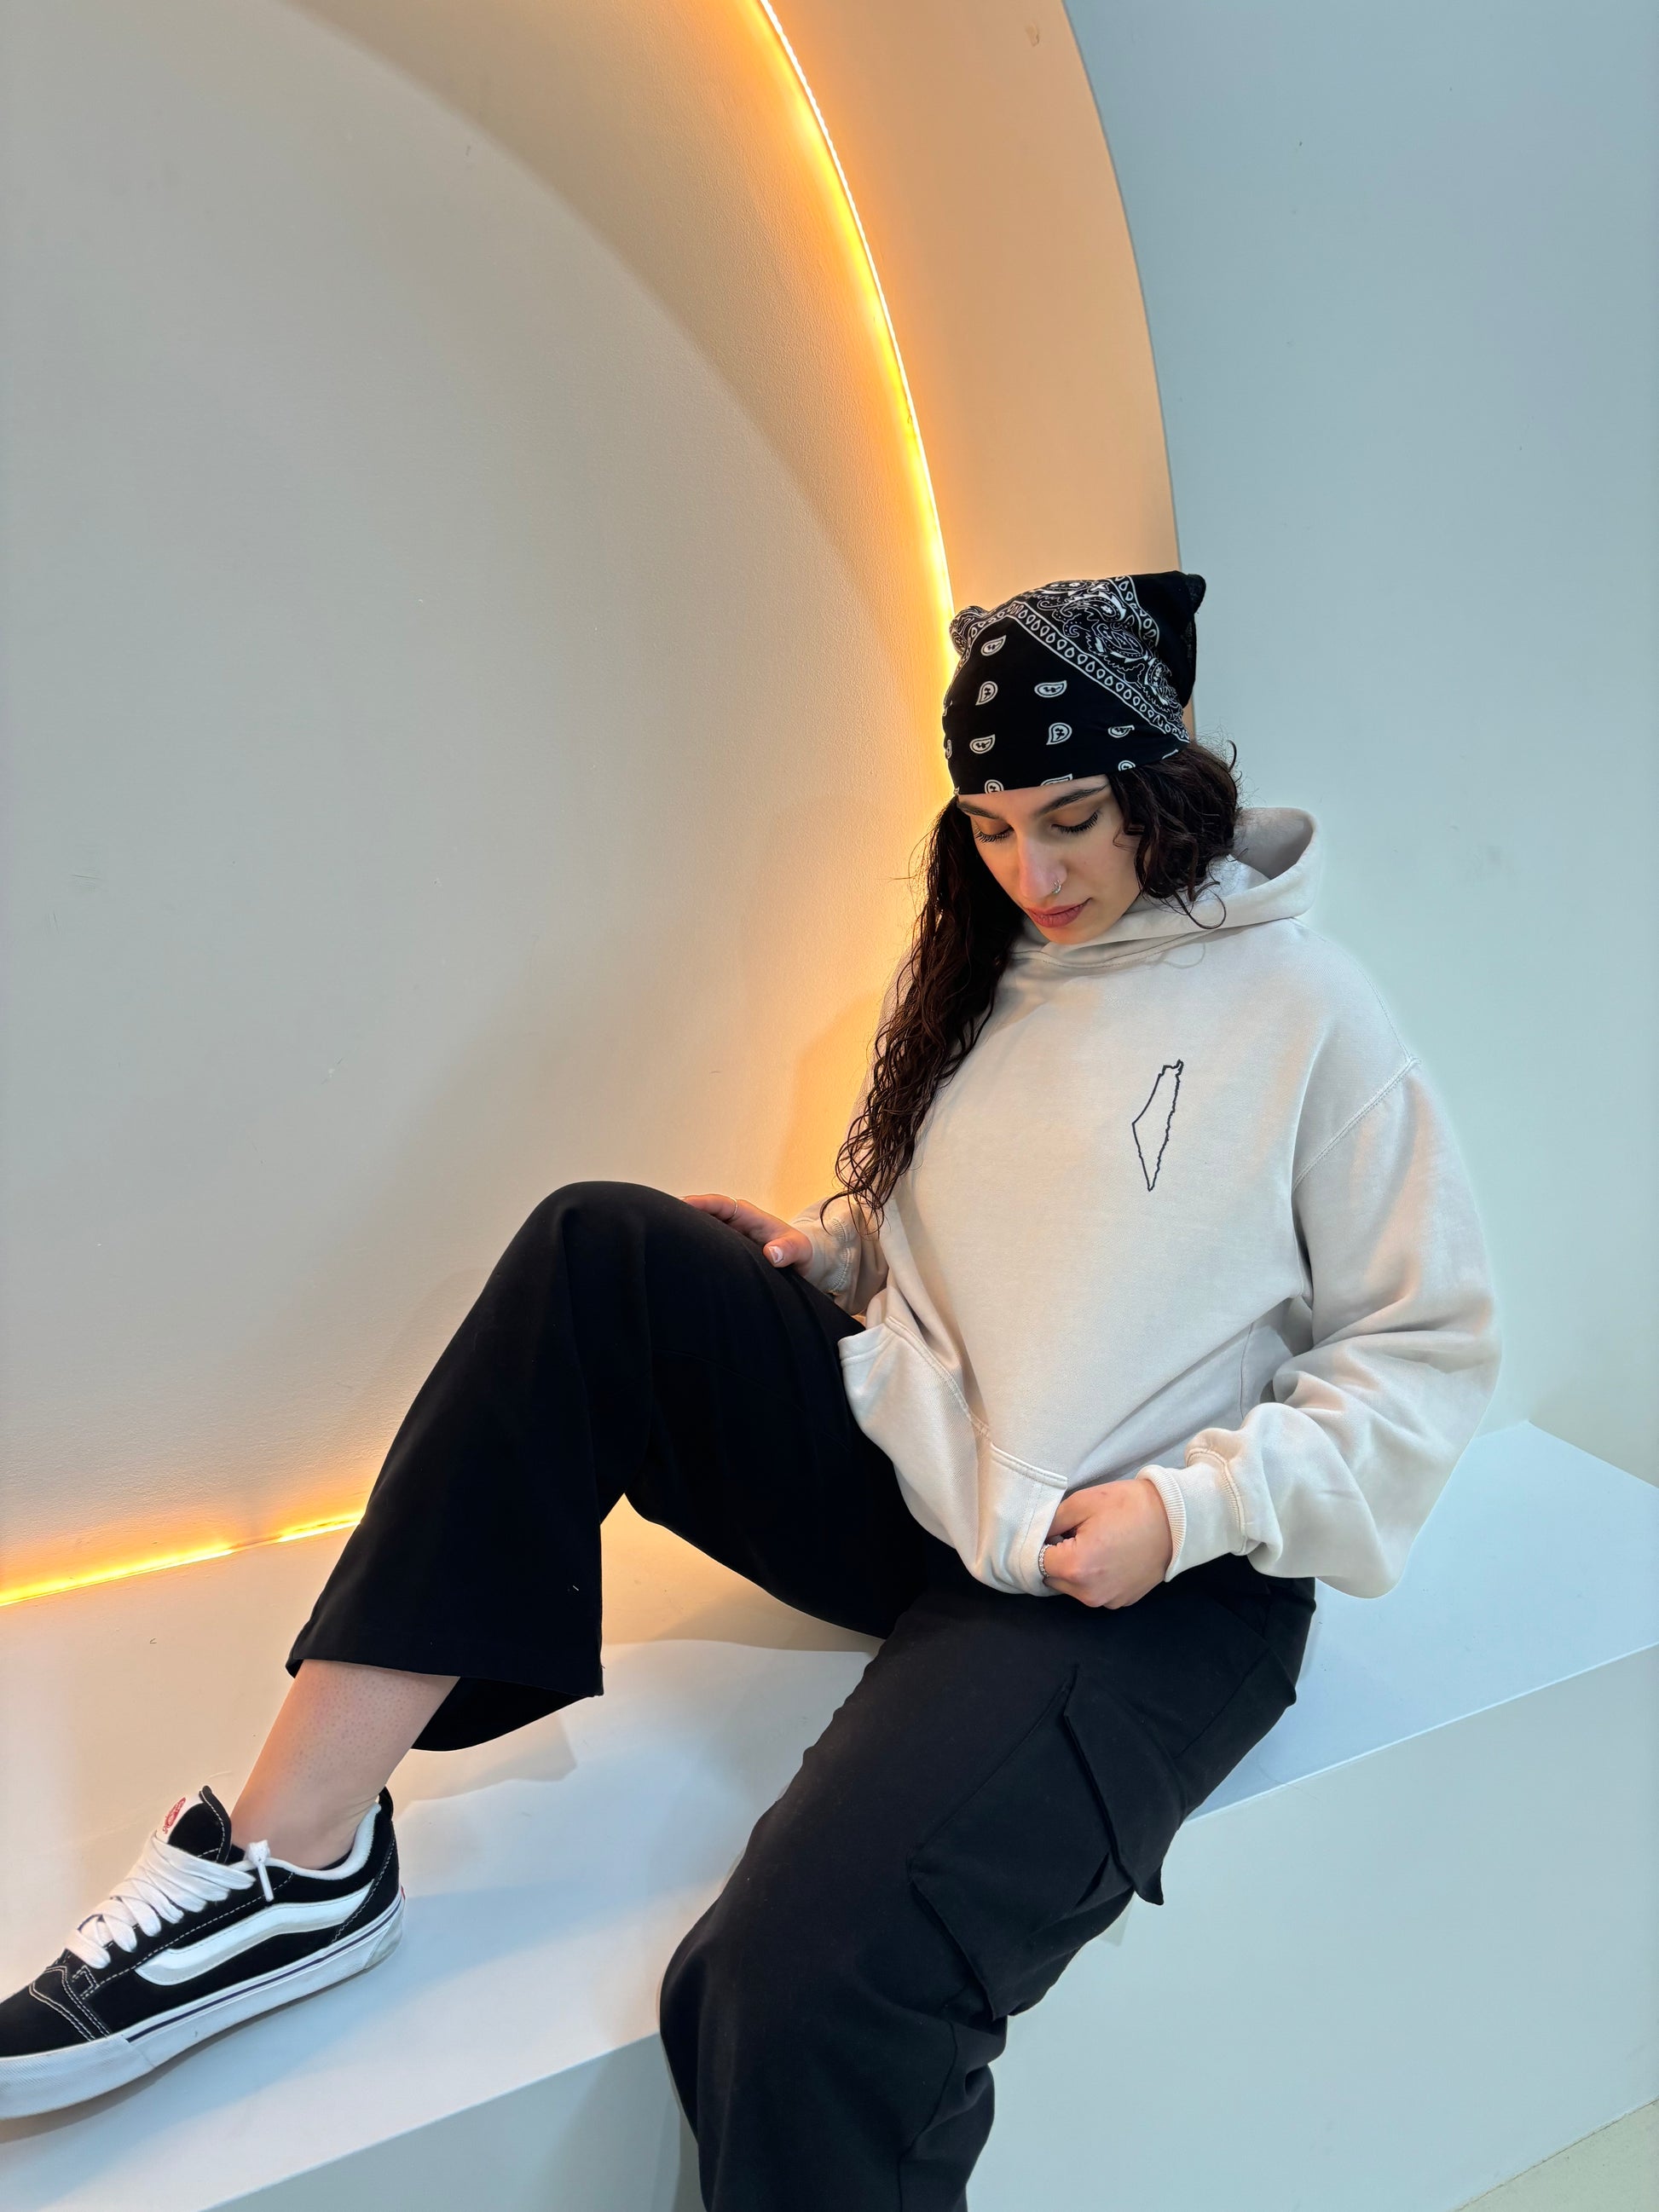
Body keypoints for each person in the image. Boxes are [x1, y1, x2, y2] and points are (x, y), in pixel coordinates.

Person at [0, 573, 1502, 2210]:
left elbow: (1421, 1351)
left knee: (791, 1992)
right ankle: (292, 1861)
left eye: (1070, 819)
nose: (1033, 873)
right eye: (990, 828)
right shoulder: (995, 969)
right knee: (603, 1249)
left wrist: (1188, 1507)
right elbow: (1029, 1242)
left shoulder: (1308, 1015)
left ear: (1163, 781)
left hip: (1146, 1584)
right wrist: (837, 1258)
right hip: (939, 1487)